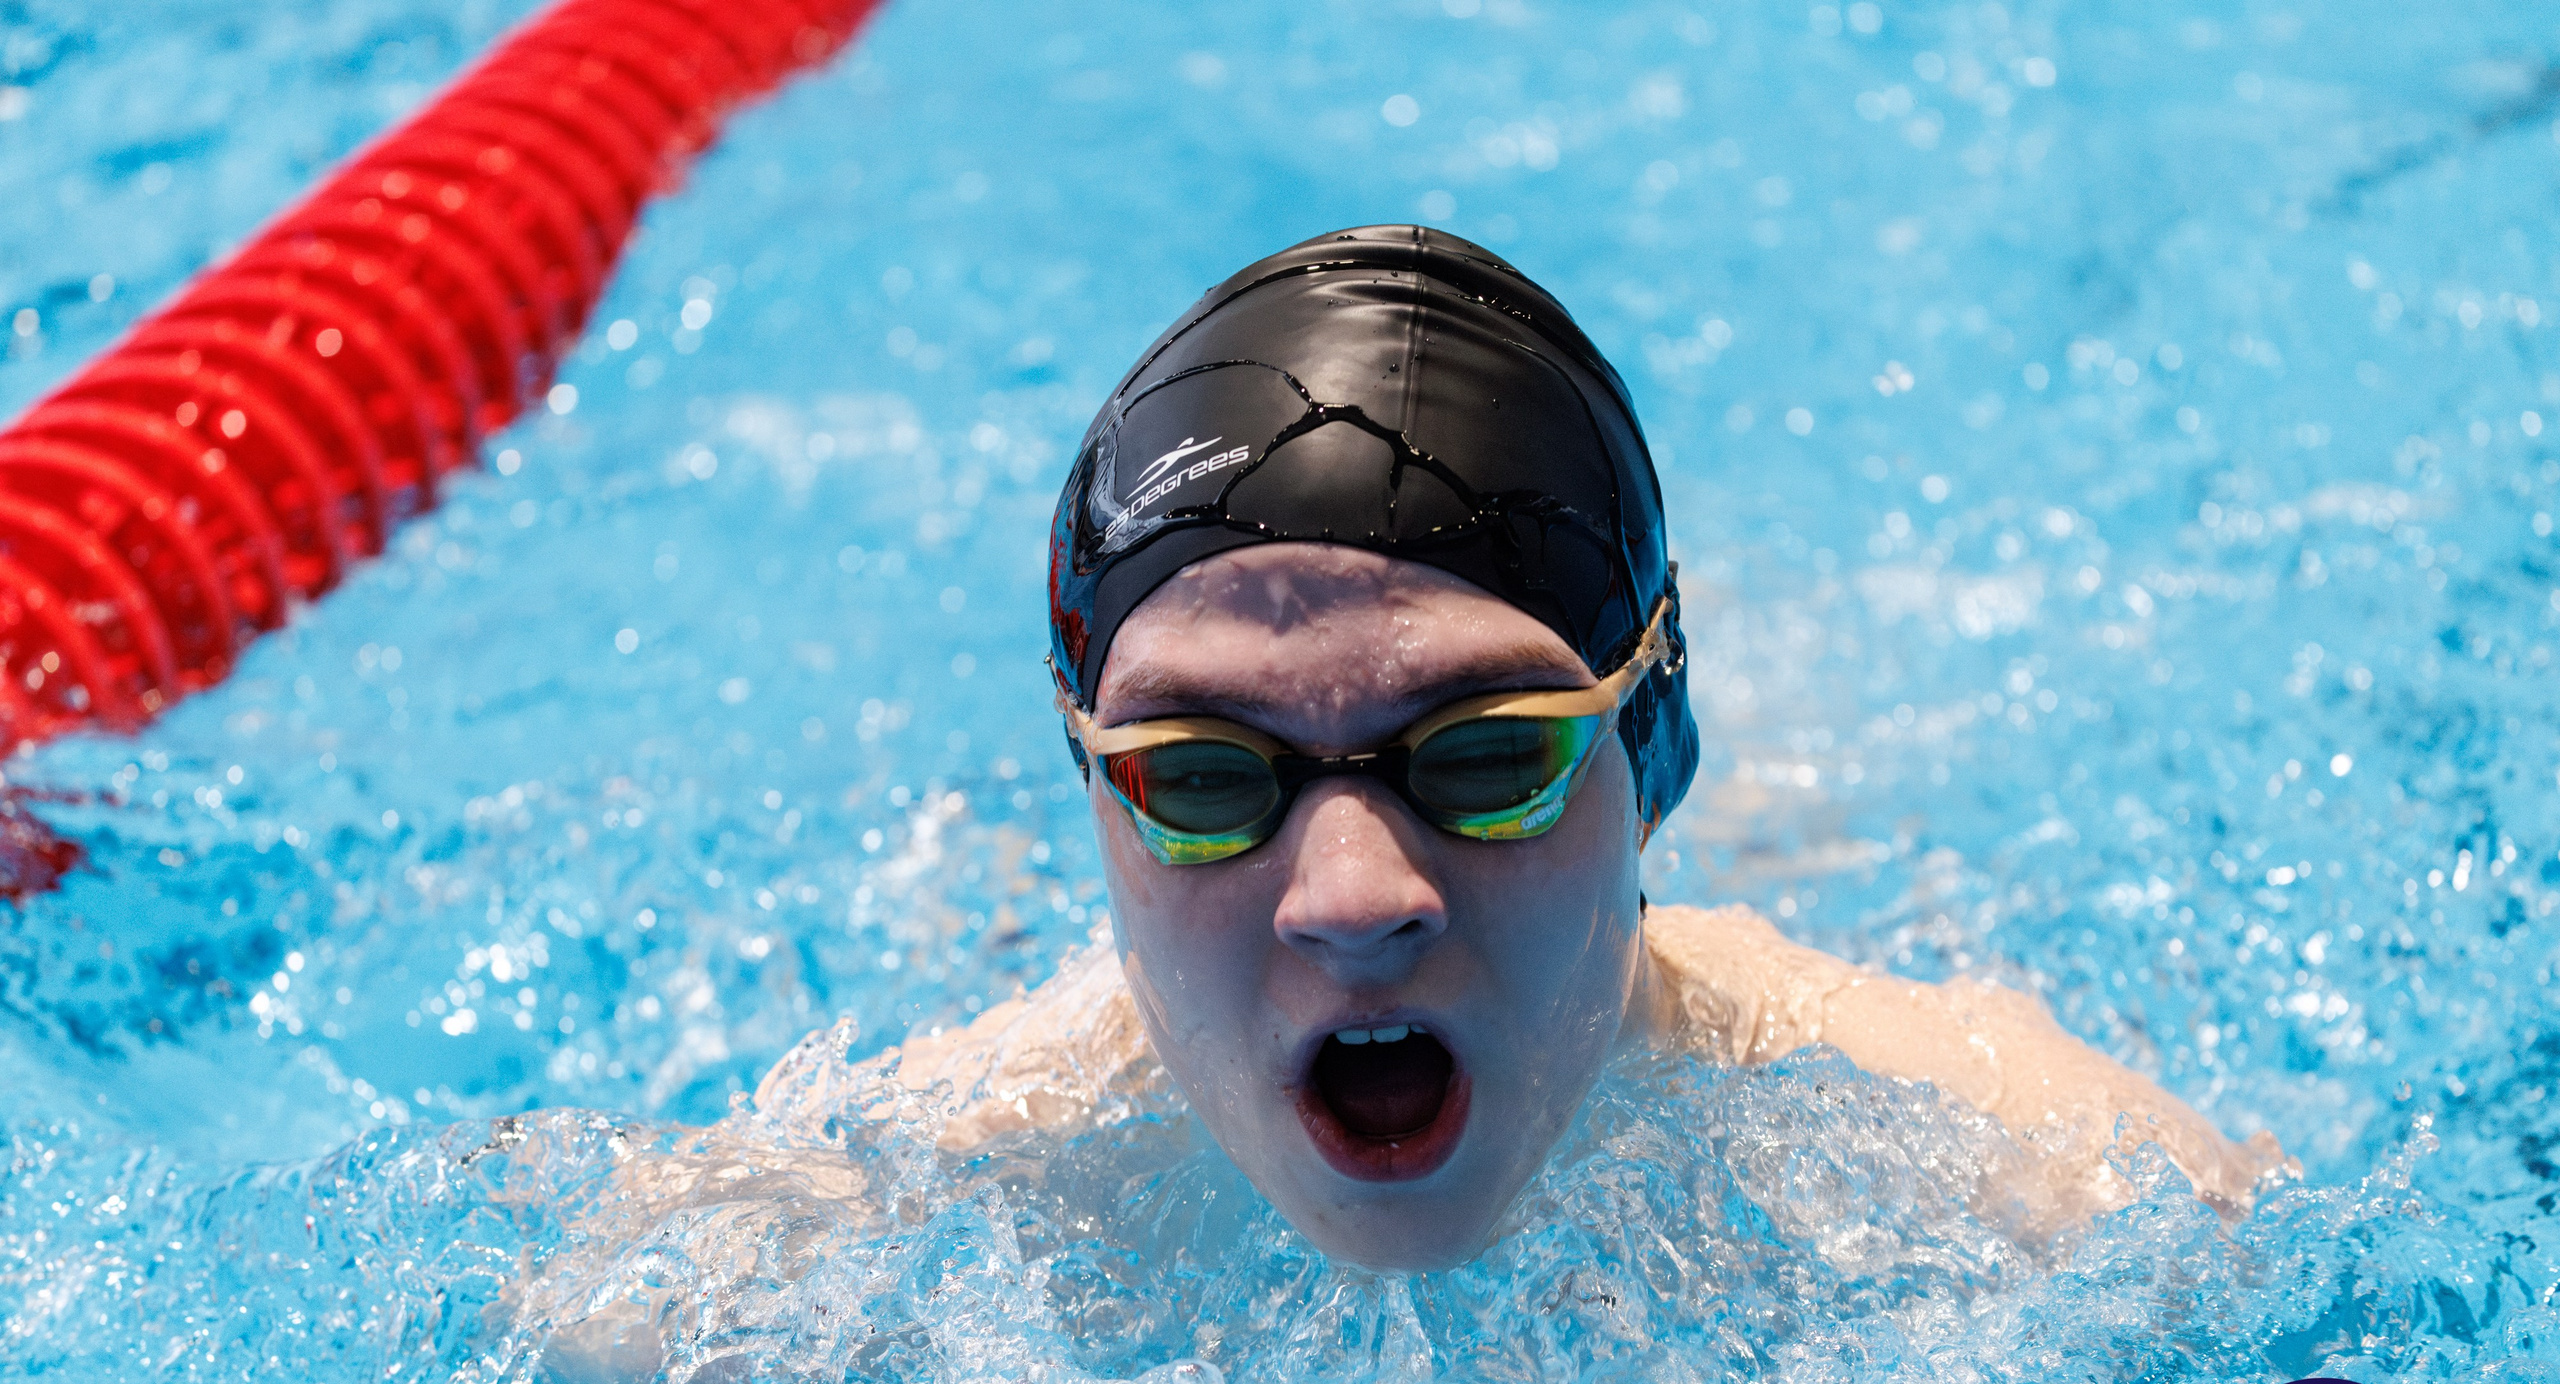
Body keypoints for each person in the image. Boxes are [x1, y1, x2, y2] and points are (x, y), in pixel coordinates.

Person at [731, 226, 2285, 1278]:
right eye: (1202, 775)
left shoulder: (2037, 1188)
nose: (1351, 896)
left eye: (1486, 756)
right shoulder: (906, 1223)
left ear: (1649, 747)